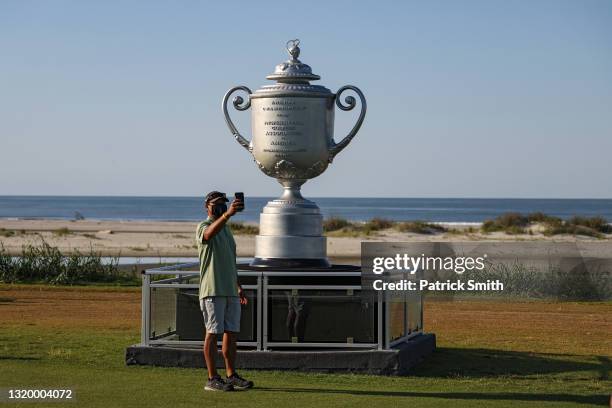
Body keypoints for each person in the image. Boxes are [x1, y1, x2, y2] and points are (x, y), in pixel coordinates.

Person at [196, 191, 253, 392]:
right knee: (212, 332)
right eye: (216, 204)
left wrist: (238, 286)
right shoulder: (203, 226)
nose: (220, 207)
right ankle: (212, 377)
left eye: (223, 204)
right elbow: (208, 234)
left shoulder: (227, 230)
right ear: (207, 206)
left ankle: (231, 374)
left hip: (229, 289)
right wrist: (226, 215)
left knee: (231, 332)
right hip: (212, 289)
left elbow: (230, 262)